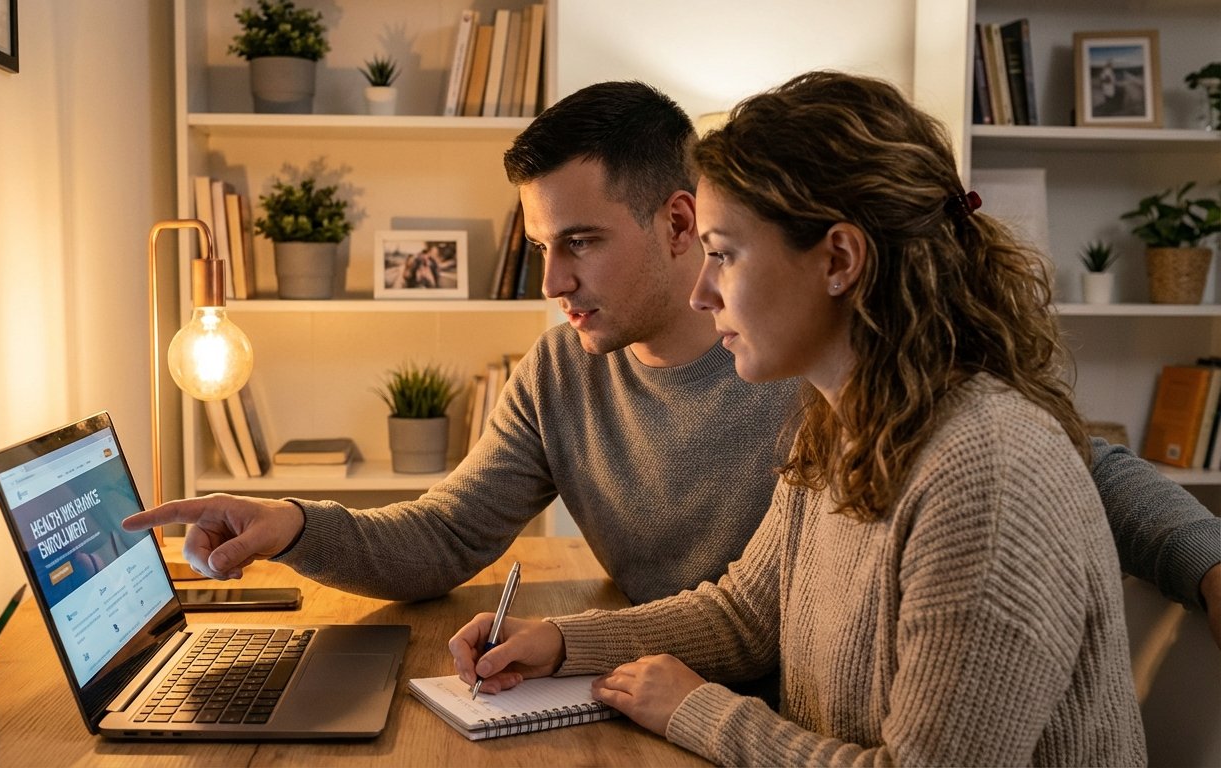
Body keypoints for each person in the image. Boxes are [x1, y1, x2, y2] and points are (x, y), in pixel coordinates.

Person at [123, 79, 1221, 644]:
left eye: (577, 243)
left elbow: (1066, 467)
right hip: (661, 684)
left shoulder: (814, 353)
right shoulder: (560, 375)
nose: (550, 283)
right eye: (538, 246)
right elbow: (445, 535)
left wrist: (1206, 565)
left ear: (681, 221)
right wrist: (294, 525)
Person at [449, 71, 1146, 766]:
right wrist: (565, 643)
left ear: (838, 259)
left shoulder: (986, 476)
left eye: (722, 254)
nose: (702, 292)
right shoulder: (842, 421)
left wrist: (699, 711)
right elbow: (747, 614)